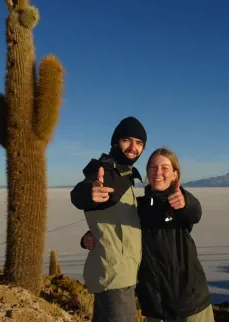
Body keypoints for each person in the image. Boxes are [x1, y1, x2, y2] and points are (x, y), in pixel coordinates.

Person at [81, 147, 214, 322]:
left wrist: (185, 201)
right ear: (147, 172)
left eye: (165, 168)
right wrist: (89, 237)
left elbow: (195, 213)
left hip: (190, 305)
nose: (158, 172)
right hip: (154, 307)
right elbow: (117, 228)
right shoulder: (138, 208)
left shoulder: (178, 204)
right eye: (152, 167)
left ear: (175, 174)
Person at [69, 116, 147, 322]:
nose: (133, 147)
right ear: (115, 142)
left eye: (139, 143)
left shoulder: (126, 175)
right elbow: (79, 194)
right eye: (127, 140)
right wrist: (89, 192)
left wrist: (92, 233)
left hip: (119, 273)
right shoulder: (105, 171)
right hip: (115, 277)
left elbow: (112, 218)